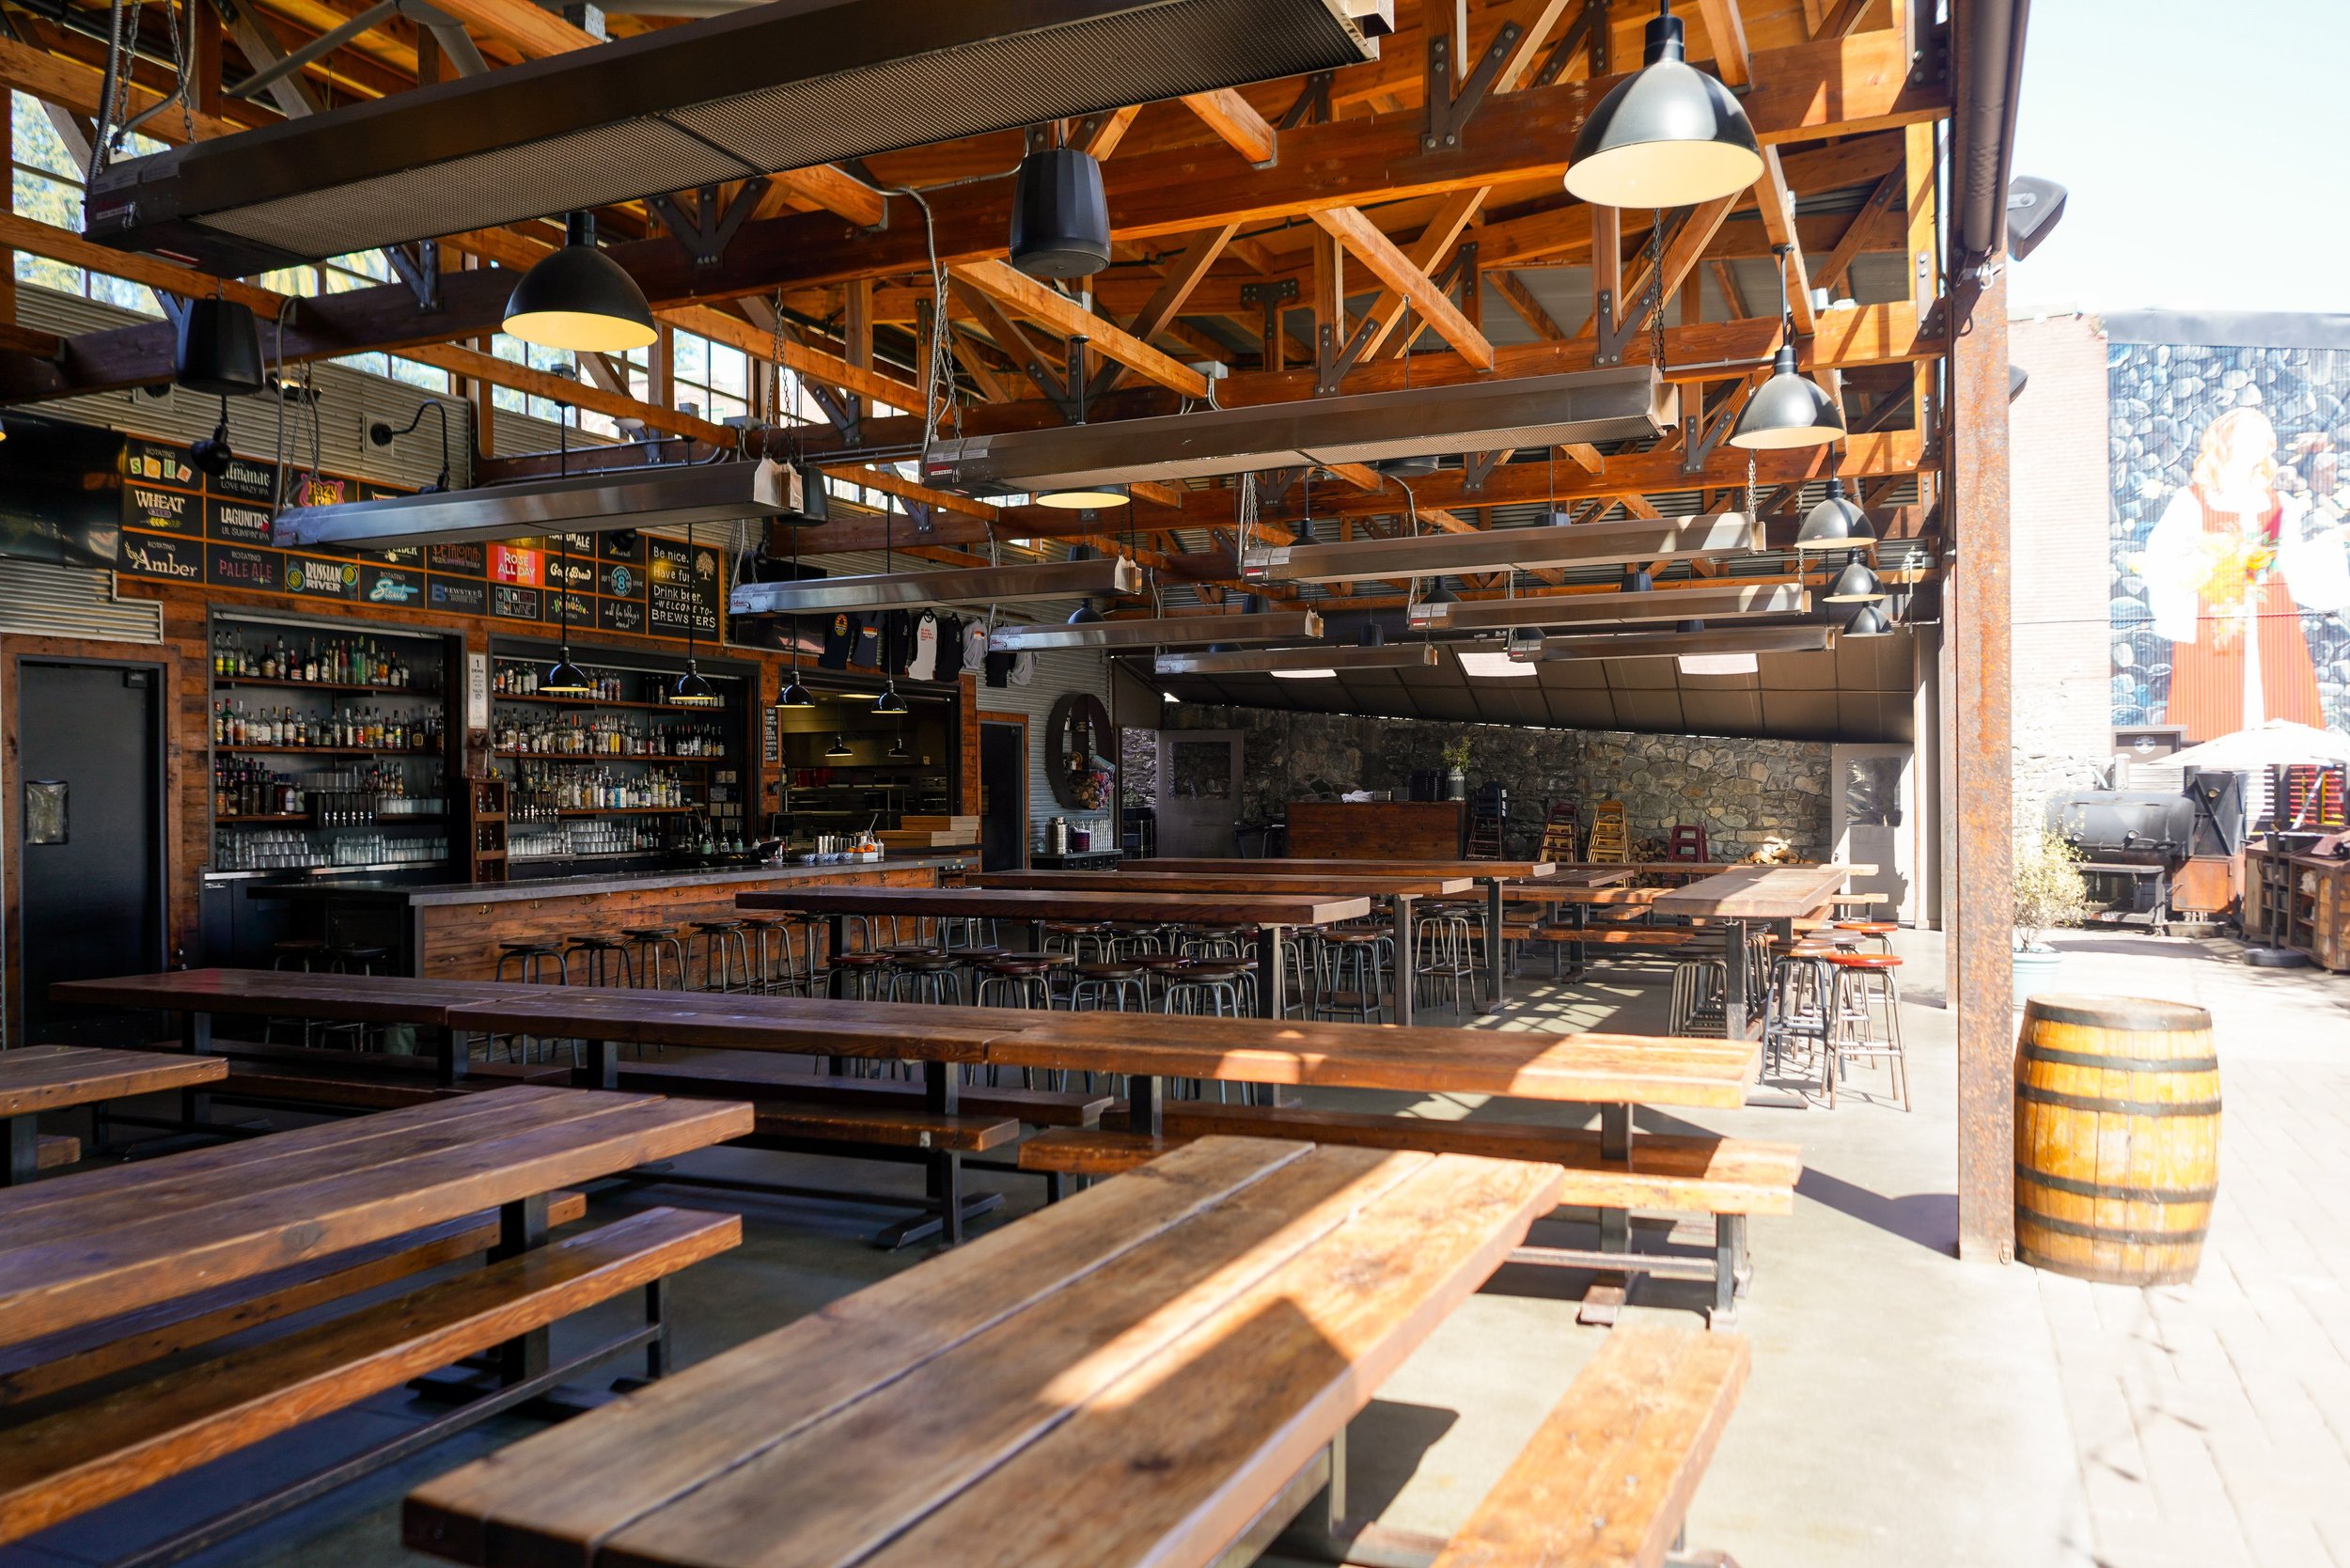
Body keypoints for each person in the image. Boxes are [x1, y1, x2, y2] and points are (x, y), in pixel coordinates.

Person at [2140, 407, 2350, 739]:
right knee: (2214, 706)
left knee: (2280, 702)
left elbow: (2292, 563)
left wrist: (2330, 544)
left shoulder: (2280, 505)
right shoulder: (2192, 501)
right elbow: (2163, 560)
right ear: (2226, 443)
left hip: (2272, 619)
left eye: (2262, 438)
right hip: (2217, 619)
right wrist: (2203, 567)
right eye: (2247, 437)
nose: (2258, 445)